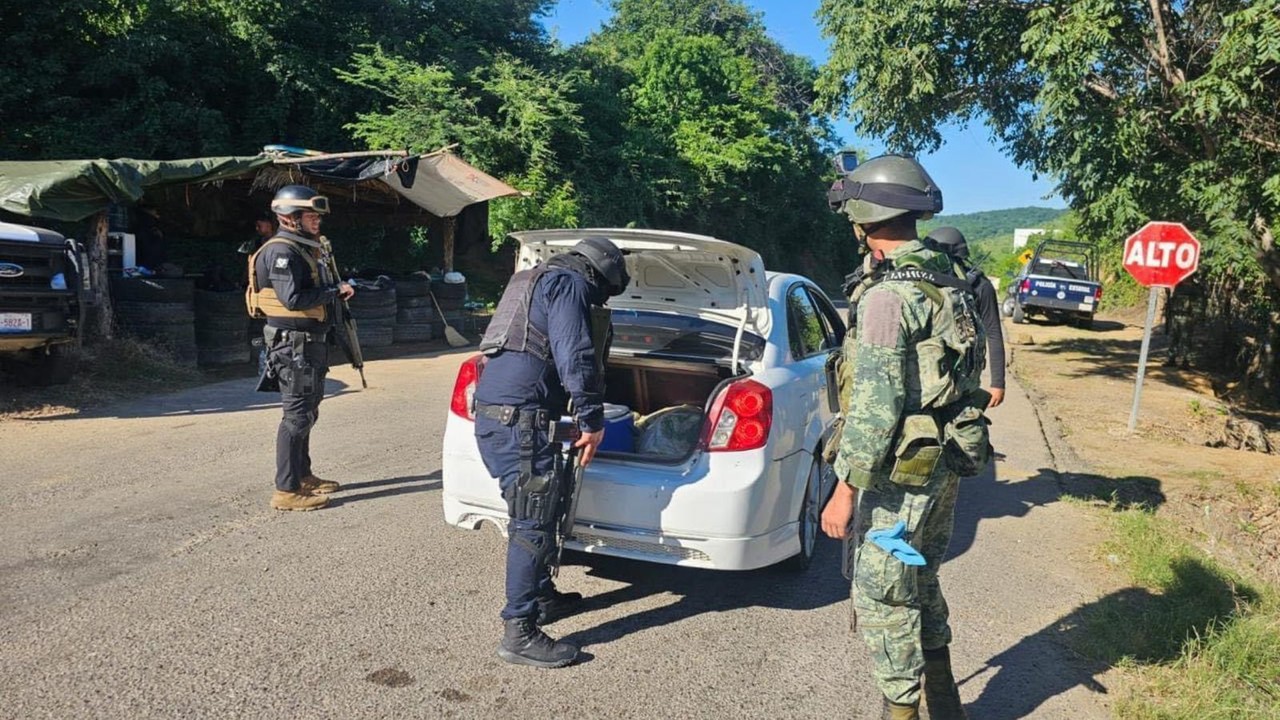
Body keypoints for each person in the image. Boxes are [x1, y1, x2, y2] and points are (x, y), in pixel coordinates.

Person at [821, 154, 991, 720]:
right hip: (942, 463)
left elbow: (875, 405)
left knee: (882, 594)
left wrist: (844, 490)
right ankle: (945, 705)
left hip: (902, 475)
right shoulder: (950, 278)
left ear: (864, 218)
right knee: (918, 578)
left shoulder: (888, 297)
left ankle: (902, 711)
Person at [472, 236, 629, 669]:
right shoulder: (569, 285)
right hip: (518, 419)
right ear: (598, 274)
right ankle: (519, 631)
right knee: (532, 520)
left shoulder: (528, 279)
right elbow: (573, 352)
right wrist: (592, 419)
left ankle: (541, 598)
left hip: (503, 415)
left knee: (544, 506)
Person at [246, 185, 355, 512]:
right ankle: (286, 490)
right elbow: (293, 299)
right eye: (310, 215)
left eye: (317, 216)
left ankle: (302, 475)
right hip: (293, 347)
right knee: (296, 417)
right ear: (290, 218)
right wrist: (334, 291)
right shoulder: (282, 252)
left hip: (308, 345)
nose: (317, 221)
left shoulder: (305, 248)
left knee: (308, 411)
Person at [926, 227, 1007, 408]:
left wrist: (998, 383)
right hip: (927, 375)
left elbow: (993, 333)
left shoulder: (979, 286)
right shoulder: (921, 280)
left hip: (960, 379)